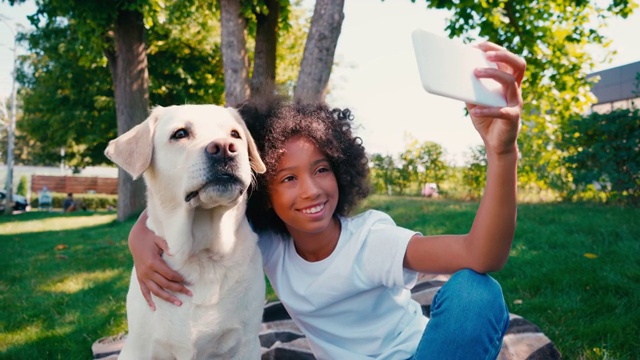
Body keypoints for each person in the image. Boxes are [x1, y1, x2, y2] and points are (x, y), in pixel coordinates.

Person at [128, 42, 525, 359]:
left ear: (341, 169)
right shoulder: (265, 246)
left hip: (423, 354)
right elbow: (183, 199)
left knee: (476, 293)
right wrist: (140, 241)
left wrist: (502, 154)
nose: (310, 190)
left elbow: (481, 256)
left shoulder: (370, 241)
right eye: (287, 178)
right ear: (262, 188)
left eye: (321, 169)